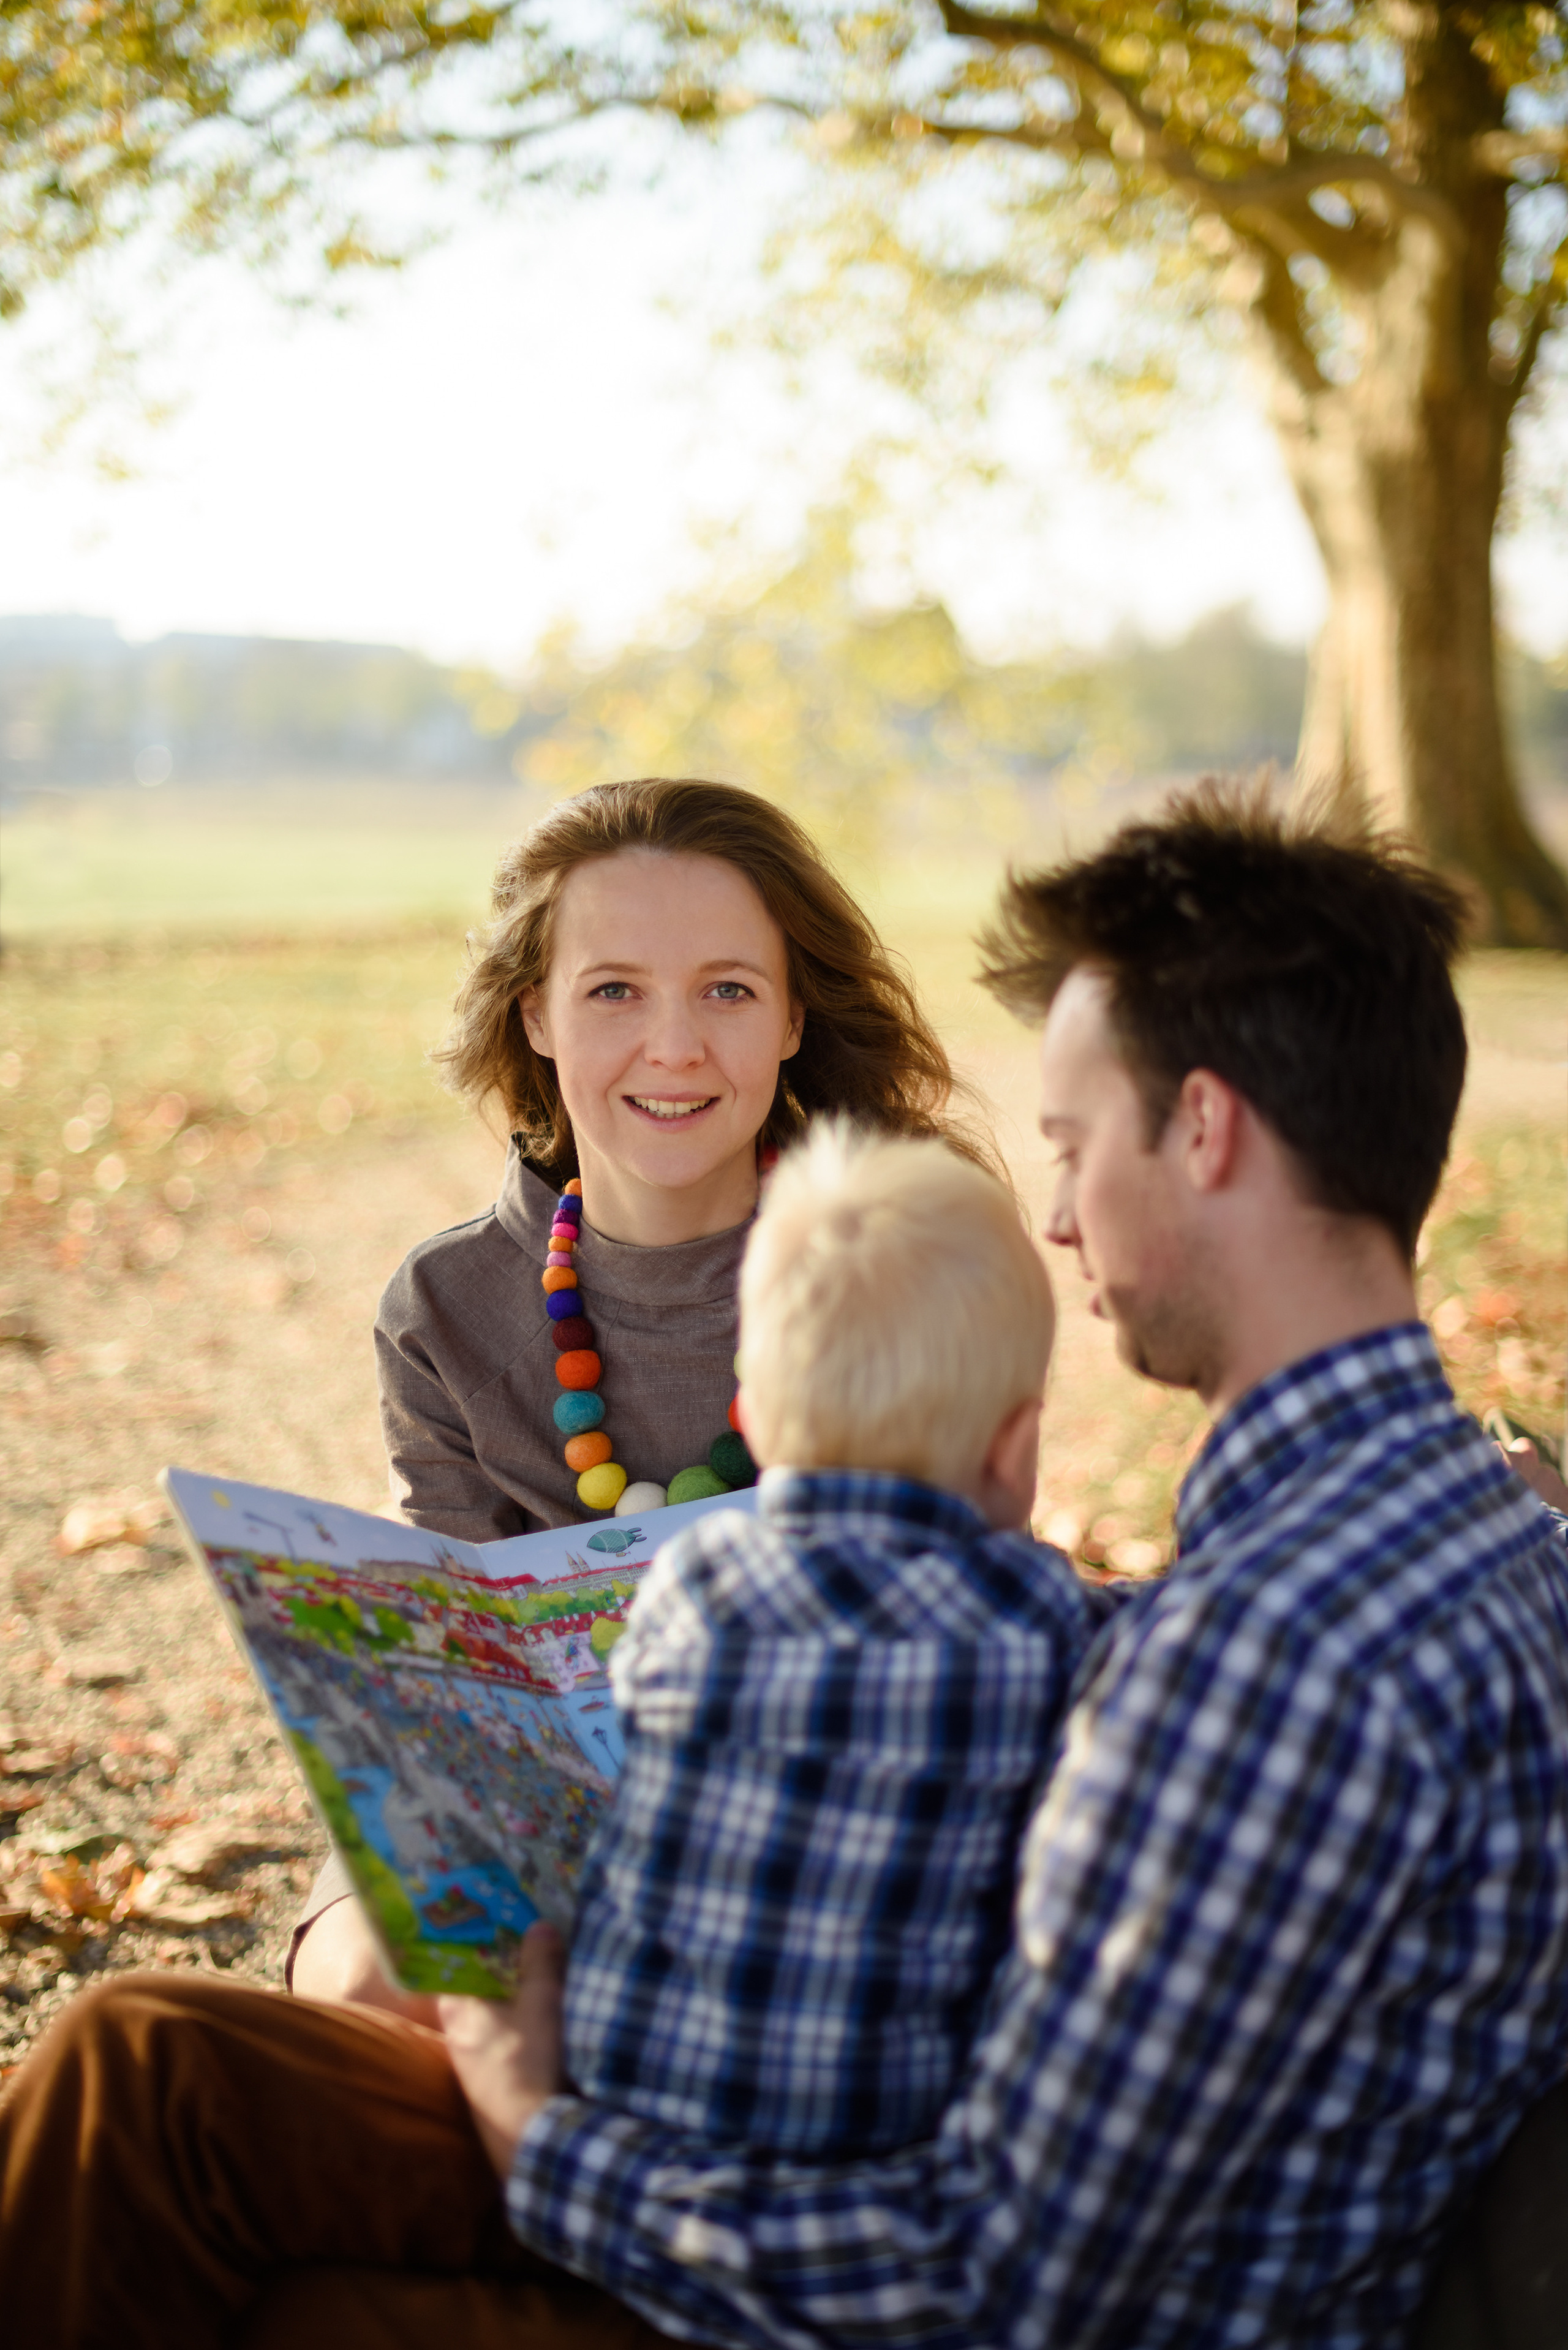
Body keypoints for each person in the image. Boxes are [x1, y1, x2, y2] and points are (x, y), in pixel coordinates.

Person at [4, 787, 1567, 2350]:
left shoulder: (1265, 1659)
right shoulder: (1448, 1532)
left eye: (1075, 1145)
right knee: (151, 2070)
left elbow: (986, 2275)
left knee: (170, 2144)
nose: (1060, 1223)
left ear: (1207, 1132)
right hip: (866, 2165)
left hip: (885, 2287)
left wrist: (537, 2130)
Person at [295, 773, 982, 2018]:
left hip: (818, 1817)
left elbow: (962, 1620)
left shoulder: (898, 1261)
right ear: (538, 1016)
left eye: (727, 989)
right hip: (518, 1804)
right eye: (614, 990)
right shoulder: (444, 1306)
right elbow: (456, 1677)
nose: (673, 1045)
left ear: (789, 1018)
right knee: (374, 1981)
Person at [565, 1121, 1107, 2156]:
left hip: (627, 2112)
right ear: (1016, 1446)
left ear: (756, 1420)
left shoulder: (694, 1579)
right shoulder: (1038, 1619)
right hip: (864, 2148)